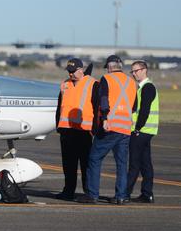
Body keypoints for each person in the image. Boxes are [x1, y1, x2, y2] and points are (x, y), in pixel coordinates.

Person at [78, 55, 137, 205]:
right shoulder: (131, 82)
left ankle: (92, 194)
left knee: (94, 158)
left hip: (110, 126)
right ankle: (121, 196)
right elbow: (134, 106)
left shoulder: (107, 79)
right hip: (125, 128)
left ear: (109, 67)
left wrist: (104, 118)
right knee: (122, 164)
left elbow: (104, 100)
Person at [55, 58, 98, 201]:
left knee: (85, 164)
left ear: (81, 70)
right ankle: (68, 191)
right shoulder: (65, 84)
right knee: (68, 165)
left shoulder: (92, 84)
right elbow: (59, 106)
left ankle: (88, 192)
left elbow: (97, 107)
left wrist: (95, 128)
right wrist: (58, 126)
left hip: (84, 131)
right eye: (69, 72)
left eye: (73, 71)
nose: (71, 74)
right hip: (66, 130)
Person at [127, 60, 159, 203]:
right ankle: (147, 194)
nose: (134, 74)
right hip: (146, 131)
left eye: (136, 71)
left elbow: (144, 111)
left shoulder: (147, 87)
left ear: (144, 70)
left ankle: (124, 193)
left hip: (141, 131)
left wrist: (137, 128)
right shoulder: (141, 87)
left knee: (134, 163)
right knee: (145, 163)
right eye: (132, 71)